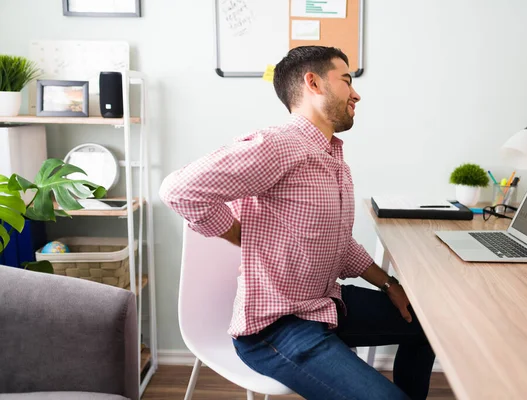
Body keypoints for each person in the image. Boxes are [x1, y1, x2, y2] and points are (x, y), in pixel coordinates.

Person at [159, 46, 435, 400]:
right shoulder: (276, 146)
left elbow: (340, 244)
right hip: (276, 329)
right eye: (347, 80)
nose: (356, 93)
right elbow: (179, 190)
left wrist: (389, 284)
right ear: (313, 83)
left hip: (323, 304)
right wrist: (238, 233)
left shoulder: (332, 156)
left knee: (428, 325)